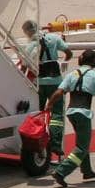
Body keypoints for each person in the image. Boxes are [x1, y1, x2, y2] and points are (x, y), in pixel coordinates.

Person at [46, 48, 95, 187]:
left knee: (82, 141)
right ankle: (61, 172)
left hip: (71, 112)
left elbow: (59, 92)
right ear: (94, 61)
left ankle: (87, 171)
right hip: (83, 113)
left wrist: (49, 104)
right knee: (82, 147)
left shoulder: (72, 74)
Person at [23, 19, 69, 160]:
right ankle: (55, 143)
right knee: (57, 114)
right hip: (56, 82)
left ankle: (38, 140)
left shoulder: (30, 46)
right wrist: (65, 61)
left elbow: (25, 66)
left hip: (39, 84)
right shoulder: (54, 38)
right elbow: (69, 52)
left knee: (38, 114)